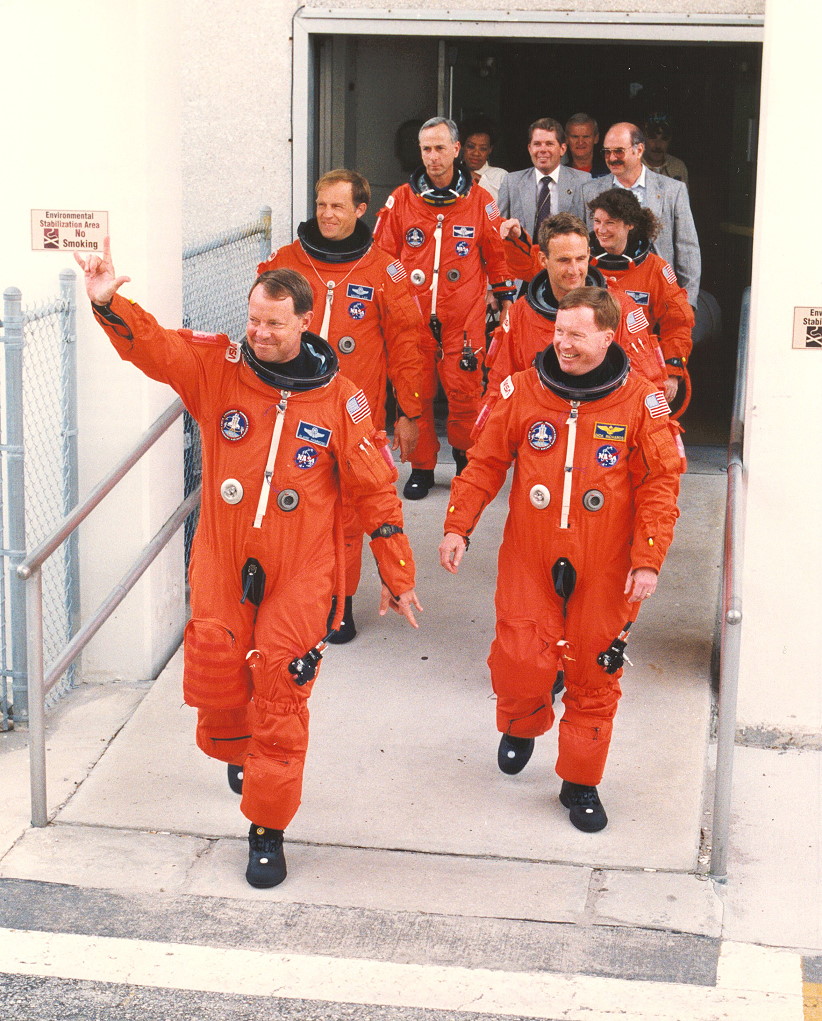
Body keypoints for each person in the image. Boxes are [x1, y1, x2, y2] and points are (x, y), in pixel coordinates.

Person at [74, 240, 422, 889]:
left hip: (301, 568)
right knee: (218, 671)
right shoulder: (220, 370)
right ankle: (240, 748)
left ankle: (267, 827)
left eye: (273, 323)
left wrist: (397, 572)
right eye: (253, 319)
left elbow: (375, 488)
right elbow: (158, 348)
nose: (258, 332)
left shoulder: (342, 400)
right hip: (222, 557)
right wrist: (108, 302)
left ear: (306, 324)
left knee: (283, 688)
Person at [439, 287, 680, 832]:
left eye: (576, 334)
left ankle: (581, 780)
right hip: (532, 550)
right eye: (558, 332)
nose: (563, 344)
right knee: (522, 657)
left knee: (595, 670)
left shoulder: (641, 401)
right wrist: (458, 526)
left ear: (608, 335)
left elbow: (661, 486)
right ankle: (522, 722)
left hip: (608, 560)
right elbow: (483, 464)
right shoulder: (523, 389)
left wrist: (647, 559)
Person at [257, 168, 426, 643]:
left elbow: (407, 344)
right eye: (321, 205)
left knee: (349, 513)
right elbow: (261, 328)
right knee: (287, 502)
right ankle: (285, 589)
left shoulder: (383, 268)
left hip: (355, 416)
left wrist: (408, 413)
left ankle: (340, 601)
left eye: (338, 206)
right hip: (290, 407)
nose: (327, 215)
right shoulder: (286, 261)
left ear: (359, 210)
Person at [374, 116, 516, 499]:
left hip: (463, 319)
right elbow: (381, 257)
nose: (433, 157)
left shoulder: (481, 200)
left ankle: (465, 461)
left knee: (465, 393)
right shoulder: (401, 199)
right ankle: (422, 468)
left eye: (440, 148)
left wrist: (504, 299)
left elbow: (495, 255)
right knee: (414, 394)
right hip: (413, 319)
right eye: (426, 149)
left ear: (456, 150)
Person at [479, 213, 668, 431]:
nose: (574, 270)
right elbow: (498, 388)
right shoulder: (522, 313)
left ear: (589, 254)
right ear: (543, 260)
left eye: (580, 259)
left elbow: (649, 387)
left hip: (601, 434)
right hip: (539, 434)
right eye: (563, 260)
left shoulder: (620, 309)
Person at [588, 187, 694, 403]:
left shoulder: (655, 269)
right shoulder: (580, 262)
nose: (601, 229)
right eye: (597, 221)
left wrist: (672, 372)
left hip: (637, 369)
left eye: (610, 223)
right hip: (586, 365)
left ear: (630, 224)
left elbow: (678, 323)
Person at [581, 122, 701, 307]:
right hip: (603, 297)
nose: (611, 158)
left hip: (659, 295)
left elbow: (688, 250)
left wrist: (687, 304)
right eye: (606, 152)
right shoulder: (588, 191)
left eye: (619, 151)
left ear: (639, 150)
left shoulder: (673, 190)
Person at [498, 117, 590, 238]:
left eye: (549, 144)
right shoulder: (511, 182)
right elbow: (499, 229)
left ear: (562, 149)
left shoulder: (583, 181)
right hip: (525, 254)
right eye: (537, 144)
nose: (542, 150)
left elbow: (591, 231)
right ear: (530, 148)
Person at [461, 124, 508, 202]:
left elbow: (503, 208)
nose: (476, 153)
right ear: (462, 146)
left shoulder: (500, 176)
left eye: (483, 149)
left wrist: (477, 179)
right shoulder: (452, 173)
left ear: (490, 150)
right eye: (471, 146)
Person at [642, 115, 689, 187]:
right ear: (642, 139)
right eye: (652, 138)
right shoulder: (630, 167)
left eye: (664, 138)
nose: (658, 145)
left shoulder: (678, 167)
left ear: (670, 141)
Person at [562, 113, 609, 178]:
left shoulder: (610, 173)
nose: (580, 142)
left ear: (596, 138)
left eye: (586, 136)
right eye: (575, 137)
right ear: (566, 139)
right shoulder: (559, 175)